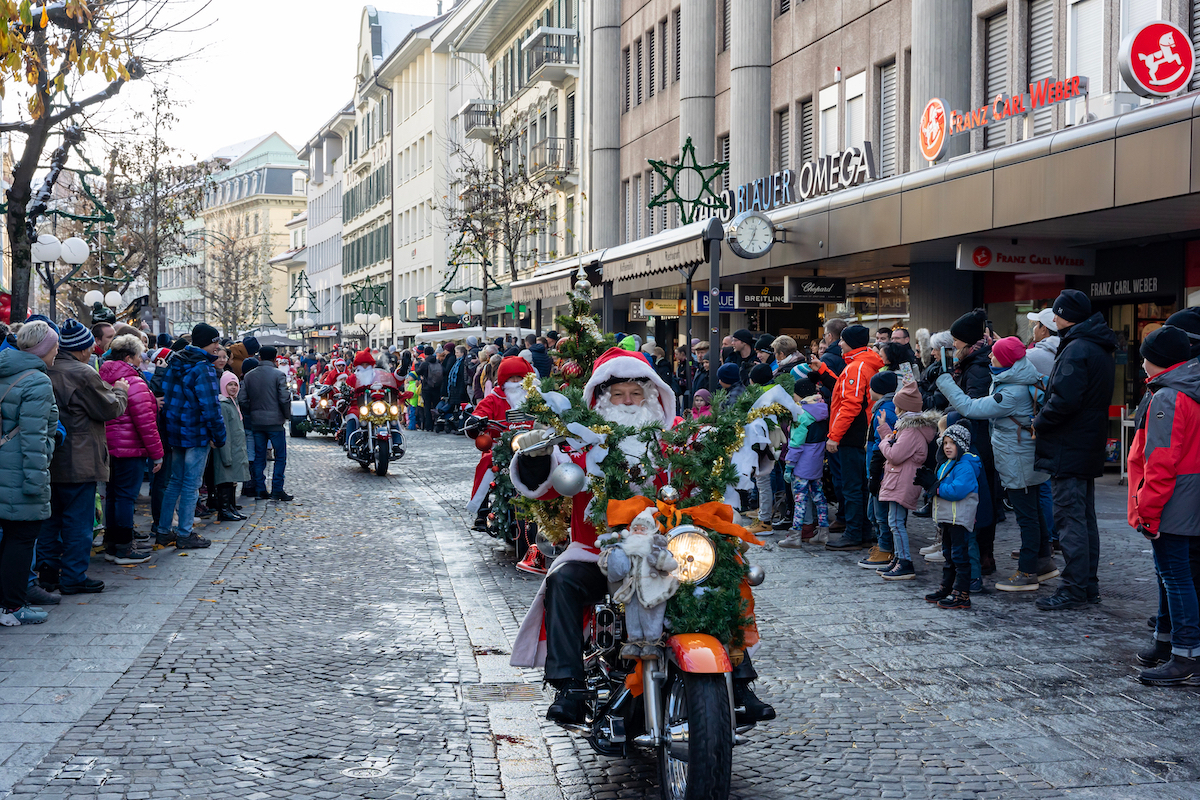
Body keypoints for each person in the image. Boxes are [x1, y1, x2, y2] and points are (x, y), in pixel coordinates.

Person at [509, 348, 773, 727]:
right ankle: (571, 686)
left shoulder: (676, 438)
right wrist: (536, 457)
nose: (629, 402)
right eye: (619, 395)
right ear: (602, 398)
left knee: (718, 574)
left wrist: (745, 447)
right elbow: (549, 484)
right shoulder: (582, 443)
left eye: (636, 394)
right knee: (562, 581)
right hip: (598, 554)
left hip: (670, 551)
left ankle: (741, 683)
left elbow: (712, 464)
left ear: (653, 396)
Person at [937, 337, 1058, 593]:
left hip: (1018, 460)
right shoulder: (1023, 376)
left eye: (994, 355)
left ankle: (1027, 572)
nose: (989, 357)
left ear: (1005, 360)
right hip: (1027, 455)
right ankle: (1043, 562)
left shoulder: (1012, 390)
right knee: (1034, 510)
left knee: (1027, 517)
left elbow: (971, 407)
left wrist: (946, 381)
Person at [1032, 289, 1117, 611]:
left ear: (1068, 314)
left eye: (1056, 312)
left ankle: (1075, 588)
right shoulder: (1096, 346)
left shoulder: (1078, 348)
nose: (1052, 319)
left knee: (1070, 519)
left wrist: (1039, 421)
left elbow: (1065, 400)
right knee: (1083, 518)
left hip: (1069, 444)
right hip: (1085, 442)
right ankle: (1086, 585)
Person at [1127, 326, 1200, 685]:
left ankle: (1186, 654)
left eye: (1145, 356)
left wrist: (1148, 510)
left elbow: (1160, 461)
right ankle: (1173, 644)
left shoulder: (1169, 396)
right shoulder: (1188, 387)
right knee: (1180, 574)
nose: (1141, 362)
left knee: (1174, 576)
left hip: (1174, 500)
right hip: (1190, 495)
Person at [38, 319, 128, 595]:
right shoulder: (83, 373)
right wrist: (121, 391)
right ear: (82, 348)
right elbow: (109, 408)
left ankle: (48, 572)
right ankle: (74, 576)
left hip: (50, 457)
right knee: (78, 521)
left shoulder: (46, 370)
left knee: (50, 520)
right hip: (80, 459)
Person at [0, 322, 60, 623]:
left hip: (3, 467)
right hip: (20, 472)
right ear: (44, 349)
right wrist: (36, 482)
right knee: (21, 539)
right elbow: (35, 438)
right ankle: (12, 606)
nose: (57, 352)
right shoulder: (36, 381)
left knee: (7, 539)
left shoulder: (4, 367)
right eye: (54, 346)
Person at [811, 324, 884, 551]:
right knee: (859, 485)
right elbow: (846, 392)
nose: (839, 344)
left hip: (853, 434)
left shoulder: (857, 366)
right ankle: (861, 530)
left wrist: (834, 436)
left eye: (842, 340)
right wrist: (823, 370)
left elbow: (850, 405)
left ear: (851, 342)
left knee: (852, 486)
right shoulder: (863, 362)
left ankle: (854, 533)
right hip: (860, 432)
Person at [157, 323, 226, 550]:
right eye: (215, 341)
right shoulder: (203, 368)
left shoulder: (176, 361)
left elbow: (167, 395)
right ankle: (185, 533)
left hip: (176, 430)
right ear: (208, 342)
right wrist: (219, 435)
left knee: (175, 481)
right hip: (196, 431)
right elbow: (210, 406)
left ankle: (163, 530)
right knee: (191, 484)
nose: (218, 346)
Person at [98, 335, 163, 564]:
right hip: (130, 448)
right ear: (129, 357)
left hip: (108, 447)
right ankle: (125, 548)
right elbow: (146, 423)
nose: (142, 358)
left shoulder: (102, 375)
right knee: (125, 497)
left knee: (114, 495)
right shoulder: (133, 381)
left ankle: (112, 544)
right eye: (139, 354)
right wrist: (157, 454)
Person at [948, 308, 999, 582]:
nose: (953, 345)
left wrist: (950, 417)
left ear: (968, 342)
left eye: (956, 340)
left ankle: (981, 559)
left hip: (978, 446)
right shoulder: (971, 363)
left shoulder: (977, 368)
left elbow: (974, 409)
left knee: (980, 502)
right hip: (976, 444)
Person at [464, 356, 537, 545]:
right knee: (487, 465)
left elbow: (549, 409)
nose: (516, 382)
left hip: (535, 447)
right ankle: (481, 511)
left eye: (519, 378)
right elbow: (481, 411)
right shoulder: (494, 397)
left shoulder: (536, 396)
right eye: (511, 378)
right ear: (503, 380)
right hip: (501, 447)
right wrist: (476, 420)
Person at [875, 381, 938, 580]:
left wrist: (884, 441)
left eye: (897, 405)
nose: (894, 408)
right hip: (899, 479)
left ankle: (904, 562)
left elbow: (894, 454)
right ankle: (899, 558)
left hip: (901, 480)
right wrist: (885, 429)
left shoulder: (910, 431)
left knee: (895, 522)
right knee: (896, 521)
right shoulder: (908, 428)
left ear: (904, 407)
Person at [927, 424, 983, 610]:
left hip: (959, 518)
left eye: (952, 443)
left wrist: (935, 488)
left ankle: (962, 592)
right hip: (947, 517)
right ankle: (947, 586)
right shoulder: (946, 465)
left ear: (962, 445)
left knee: (959, 556)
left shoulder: (965, 466)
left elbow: (957, 491)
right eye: (945, 443)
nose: (947, 447)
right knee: (948, 554)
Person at [780, 377, 829, 548]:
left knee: (799, 499)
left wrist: (789, 465)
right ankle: (823, 532)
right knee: (819, 497)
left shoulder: (801, 414)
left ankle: (795, 535)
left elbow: (796, 444)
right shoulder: (822, 409)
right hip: (816, 461)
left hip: (802, 464)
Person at [241, 346, 293, 502]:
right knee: (280, 456)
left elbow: (242, 399)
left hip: (257, 422)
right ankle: (277, 489)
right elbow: (284, 398)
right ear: (275, 358)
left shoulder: (249, 376)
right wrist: (286, 415)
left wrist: (252, 411)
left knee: (259, 456)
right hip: (275, 422)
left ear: (260, 358)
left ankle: (260, 489)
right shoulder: (278, 375)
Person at [860, 370, 898, 570]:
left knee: (879, 513)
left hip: (881, 471)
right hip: (876, 468)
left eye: (871, 387)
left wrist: (875, 471)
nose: (869, 390)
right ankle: (883, 545)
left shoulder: (885, 411)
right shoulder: (885, 407)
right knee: (873, 512)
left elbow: (883, 443)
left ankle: (885, 548)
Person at [213, 373, 250, 522]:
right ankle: (224, 509)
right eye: (230, 384)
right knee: (225, 480)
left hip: (235, 450)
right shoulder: (224, 406)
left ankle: (230, 507)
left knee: (232, 480)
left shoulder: (234, 403)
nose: (233, 387)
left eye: (235, 384)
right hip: (227, 451)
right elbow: (225, 432)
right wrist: (226, 455)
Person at [1024, 308, 1059, 378]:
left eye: (1036, 324)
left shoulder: (1032, 355)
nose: (1034, 328)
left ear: (1043, 329)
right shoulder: (1068, 350)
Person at [415, 345, 443, 431]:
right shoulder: (437, 362)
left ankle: (428, 426)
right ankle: (437, 424)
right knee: (435, 406)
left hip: (426, 388)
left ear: (425, 354)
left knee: (427, 407)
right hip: (436, 387)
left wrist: (417, 365)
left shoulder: (425, 363)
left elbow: (418, 372)